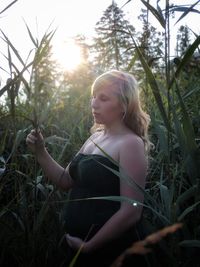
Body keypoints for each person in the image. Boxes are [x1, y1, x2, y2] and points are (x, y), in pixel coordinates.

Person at [26, 70, 151, 267]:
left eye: (103, 98)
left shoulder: (130, 143)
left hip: (110, 251)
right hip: (77, 245)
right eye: (93, 97)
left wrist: (90, 246)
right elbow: (66, 181)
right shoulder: (95, 138)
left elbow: (132, 210)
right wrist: (40, 151)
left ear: (124, 104)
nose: (94, 103)